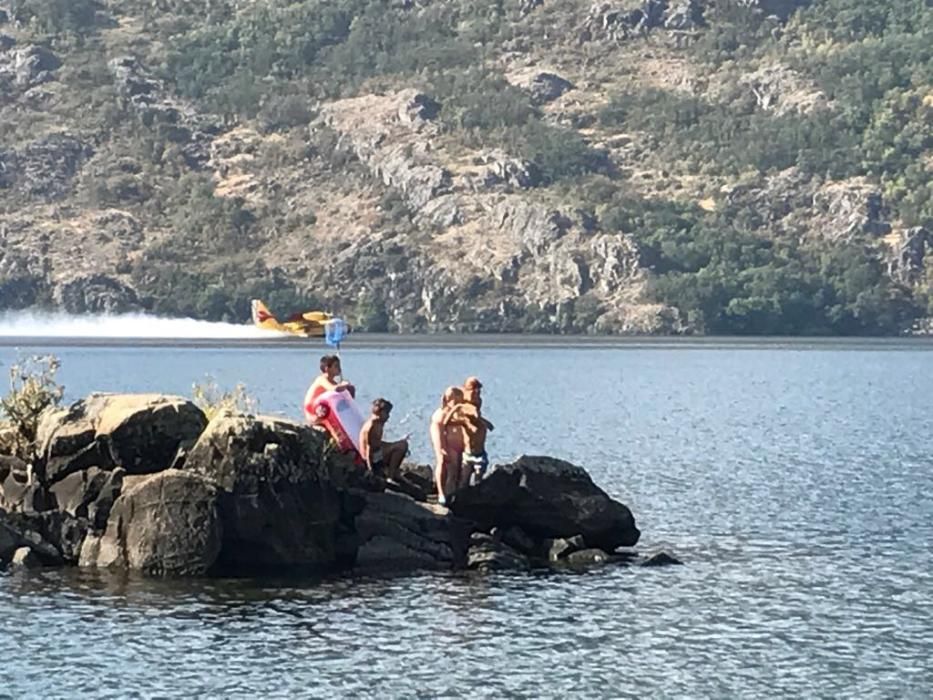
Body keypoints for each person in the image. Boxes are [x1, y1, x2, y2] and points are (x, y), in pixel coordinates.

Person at [451, 376, 495, 488]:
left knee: (478, 479)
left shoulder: (477, 401)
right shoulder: (461, 405)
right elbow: (457, 417)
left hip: (480, 451)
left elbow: (476, 416)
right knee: (464, 480)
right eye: (472, 390)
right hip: (467, 452)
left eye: (478, 391)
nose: (476, 393)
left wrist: (483, 421)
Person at [429, 386, 466, 506]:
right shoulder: (441, 413)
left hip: (459, 447)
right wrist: (441, 448)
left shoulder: (458, 412)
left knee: (457, 470)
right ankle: (442, 494)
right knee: (445, 464)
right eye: (454, 399)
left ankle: (453, 493)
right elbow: (437, 431)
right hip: (447, 445)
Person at [359, 398, 409, 480]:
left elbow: (376, 442)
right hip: (373, 458)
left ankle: (393, 472)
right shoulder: (371, 426)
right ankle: (391, 476)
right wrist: (370, 469)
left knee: (401, 443)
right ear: (380, 413)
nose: (388, 416)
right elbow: (369, 449)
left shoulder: (379, 423)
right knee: (402, 446)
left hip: (377, 452)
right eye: (387, 413)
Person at [303, 354, 355, 426]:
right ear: (327, 369)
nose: (339, 369)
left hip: (322, 410)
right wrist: (344, 384)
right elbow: (334, 389)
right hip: (314, 411)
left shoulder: (333, 382)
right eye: (336, 366)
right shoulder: (322, 379)